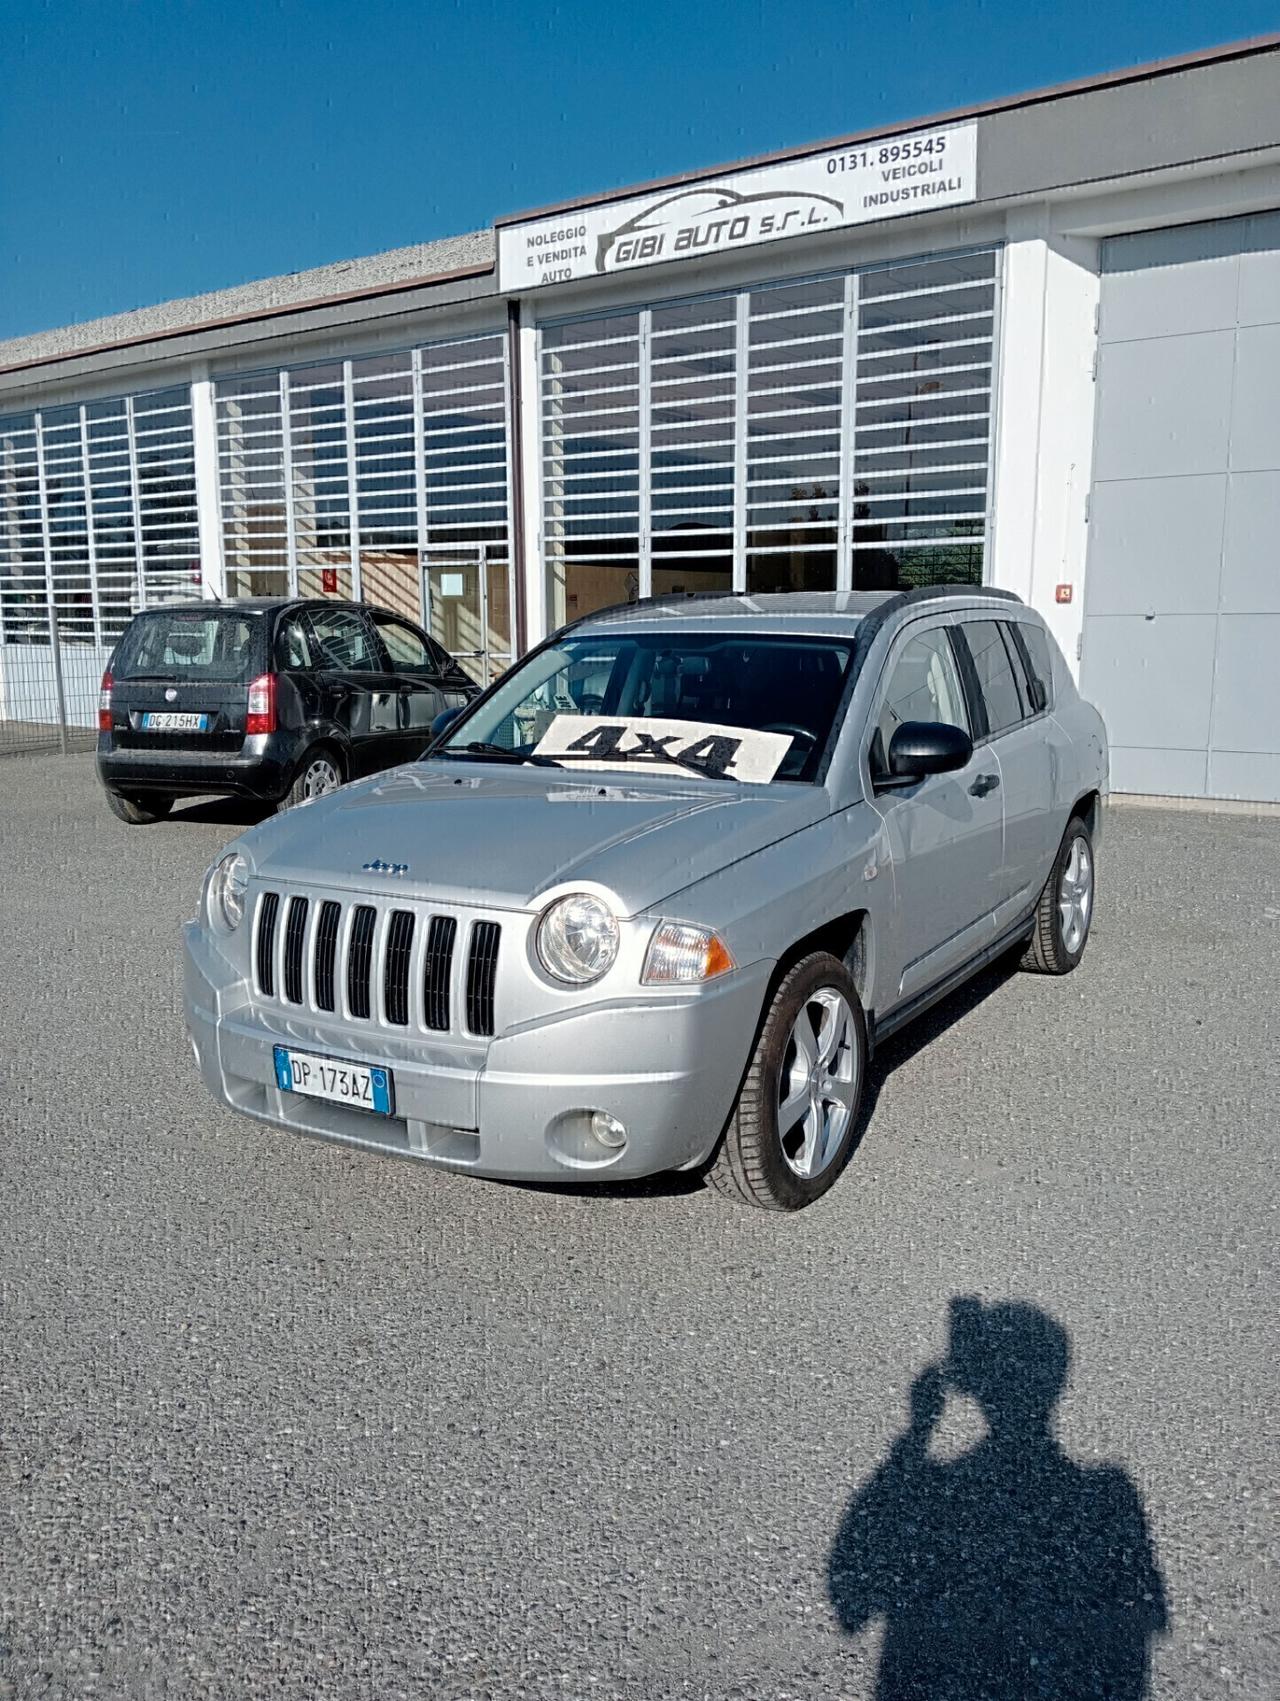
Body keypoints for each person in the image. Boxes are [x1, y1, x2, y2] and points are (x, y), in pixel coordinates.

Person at [828, 1299, 1168, 1701]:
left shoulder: (937, 1499)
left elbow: (850, 1592)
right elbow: (1132, 1650)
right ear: (1055, 1381)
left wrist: (915, 1439)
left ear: (974, 1383)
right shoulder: (1104, 1502)